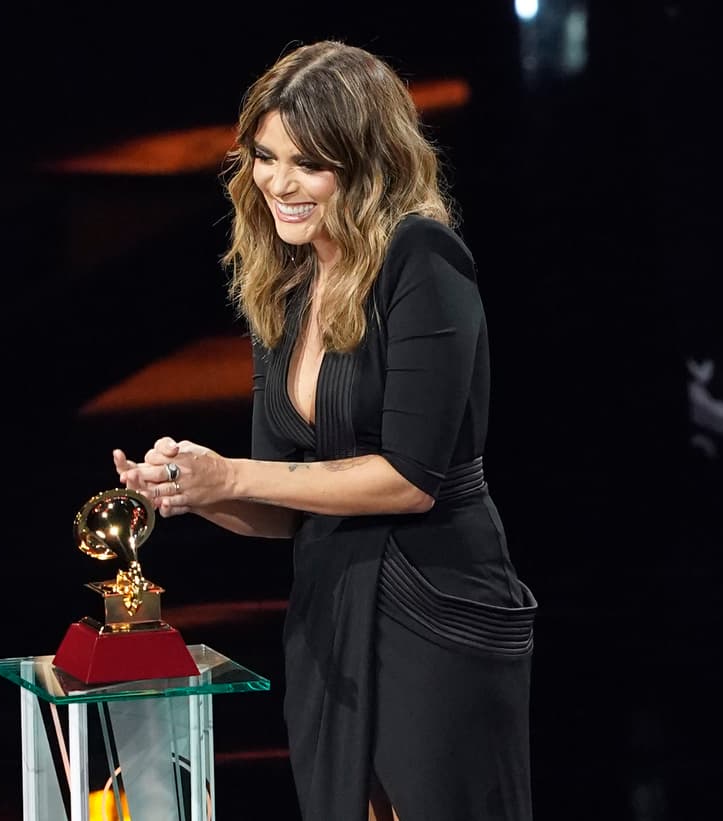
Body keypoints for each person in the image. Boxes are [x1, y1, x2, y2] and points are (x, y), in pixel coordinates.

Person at [112, 41, 536, 820]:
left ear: (365, 164)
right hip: (328, 611)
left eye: (308, 164)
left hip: (435, 601)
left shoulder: (422, 258)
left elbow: (409, 479)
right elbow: (282, 505)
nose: (279, 182)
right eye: (266, 157)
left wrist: (235, 474)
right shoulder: (287, 279)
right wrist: (195, 488)